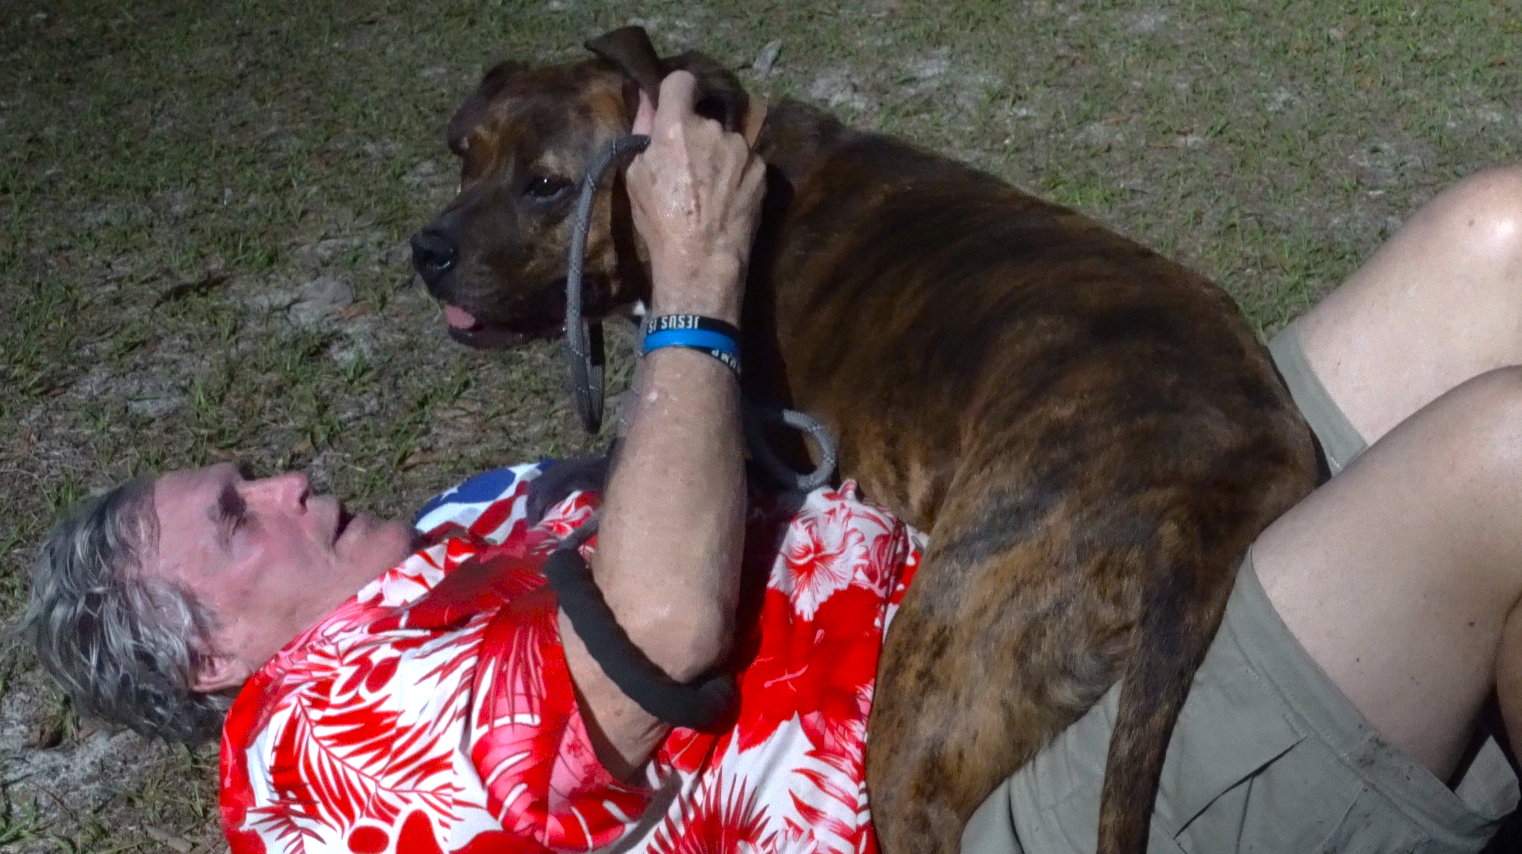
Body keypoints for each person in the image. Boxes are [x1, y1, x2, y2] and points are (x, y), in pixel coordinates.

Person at [19, 66, 1522, 853]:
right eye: (235, 512)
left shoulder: (455, 532)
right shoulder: (313, 754)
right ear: (208, 651)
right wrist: (691, 280)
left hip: (1059, 569)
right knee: (1502, 454)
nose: (284, 480)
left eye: (249, 471)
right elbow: (660, 628)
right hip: (1002, 793)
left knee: (1491, 240)